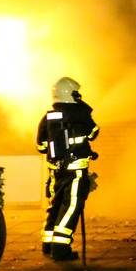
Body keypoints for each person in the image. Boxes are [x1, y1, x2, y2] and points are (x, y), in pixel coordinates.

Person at [36, 76, 99, 261]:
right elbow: (93, 133)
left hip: (55, 172)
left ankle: (48, 244)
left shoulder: (48, 117)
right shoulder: (80, 114)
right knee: (71, 207)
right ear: (72, 94)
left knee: (55, 206)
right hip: (76, 171)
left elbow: (40, 146)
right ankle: (60, 248)